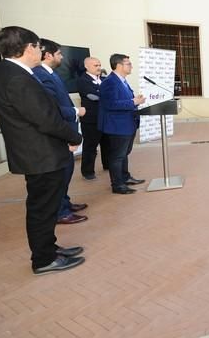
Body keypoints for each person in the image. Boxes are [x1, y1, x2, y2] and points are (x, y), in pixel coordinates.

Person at [0, 26, 85, 274]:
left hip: (37, 152)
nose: (40, 52)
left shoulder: (6, 72)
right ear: (29, 47)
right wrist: (73, 135)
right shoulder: (16, 77)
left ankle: (49, 249)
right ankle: (44, 260)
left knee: (45, 207)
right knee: (42, 210)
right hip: (40, 154)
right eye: (39, 48)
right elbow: (45, 118)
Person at [32, 39, 88, 225]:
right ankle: (61, 212)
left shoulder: (51, 74)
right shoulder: (41, 75)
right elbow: (52, 108)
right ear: (48, 55)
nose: (62, 57)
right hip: (59, 133)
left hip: (65, 131)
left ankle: (65, 203)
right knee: (61, 175)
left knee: (66, 172)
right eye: (59, 54)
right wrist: (75, 111)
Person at [99, 54, 147, 195]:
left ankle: (125, 177)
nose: (131, 66)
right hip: (117, 126)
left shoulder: (122, 81)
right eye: (128, 64)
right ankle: (117, 185)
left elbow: (123, 100)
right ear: (119, 65)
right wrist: (133, 102)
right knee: (117, 156)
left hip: (127, 124)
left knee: (124, 154)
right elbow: (110, 104)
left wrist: (134, 99)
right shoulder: (110, 82)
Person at [77, 57, 110, 181]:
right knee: (91, 146)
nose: (98, 67)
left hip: (105, 117)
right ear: (87, 66)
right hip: (91, 119)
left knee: (107, 143)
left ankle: (107, 165)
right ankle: (88, 171)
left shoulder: (104, 79)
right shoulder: (82, 80)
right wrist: (106, 95)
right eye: (95, 65)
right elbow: (93, 96)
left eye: (99, 65)